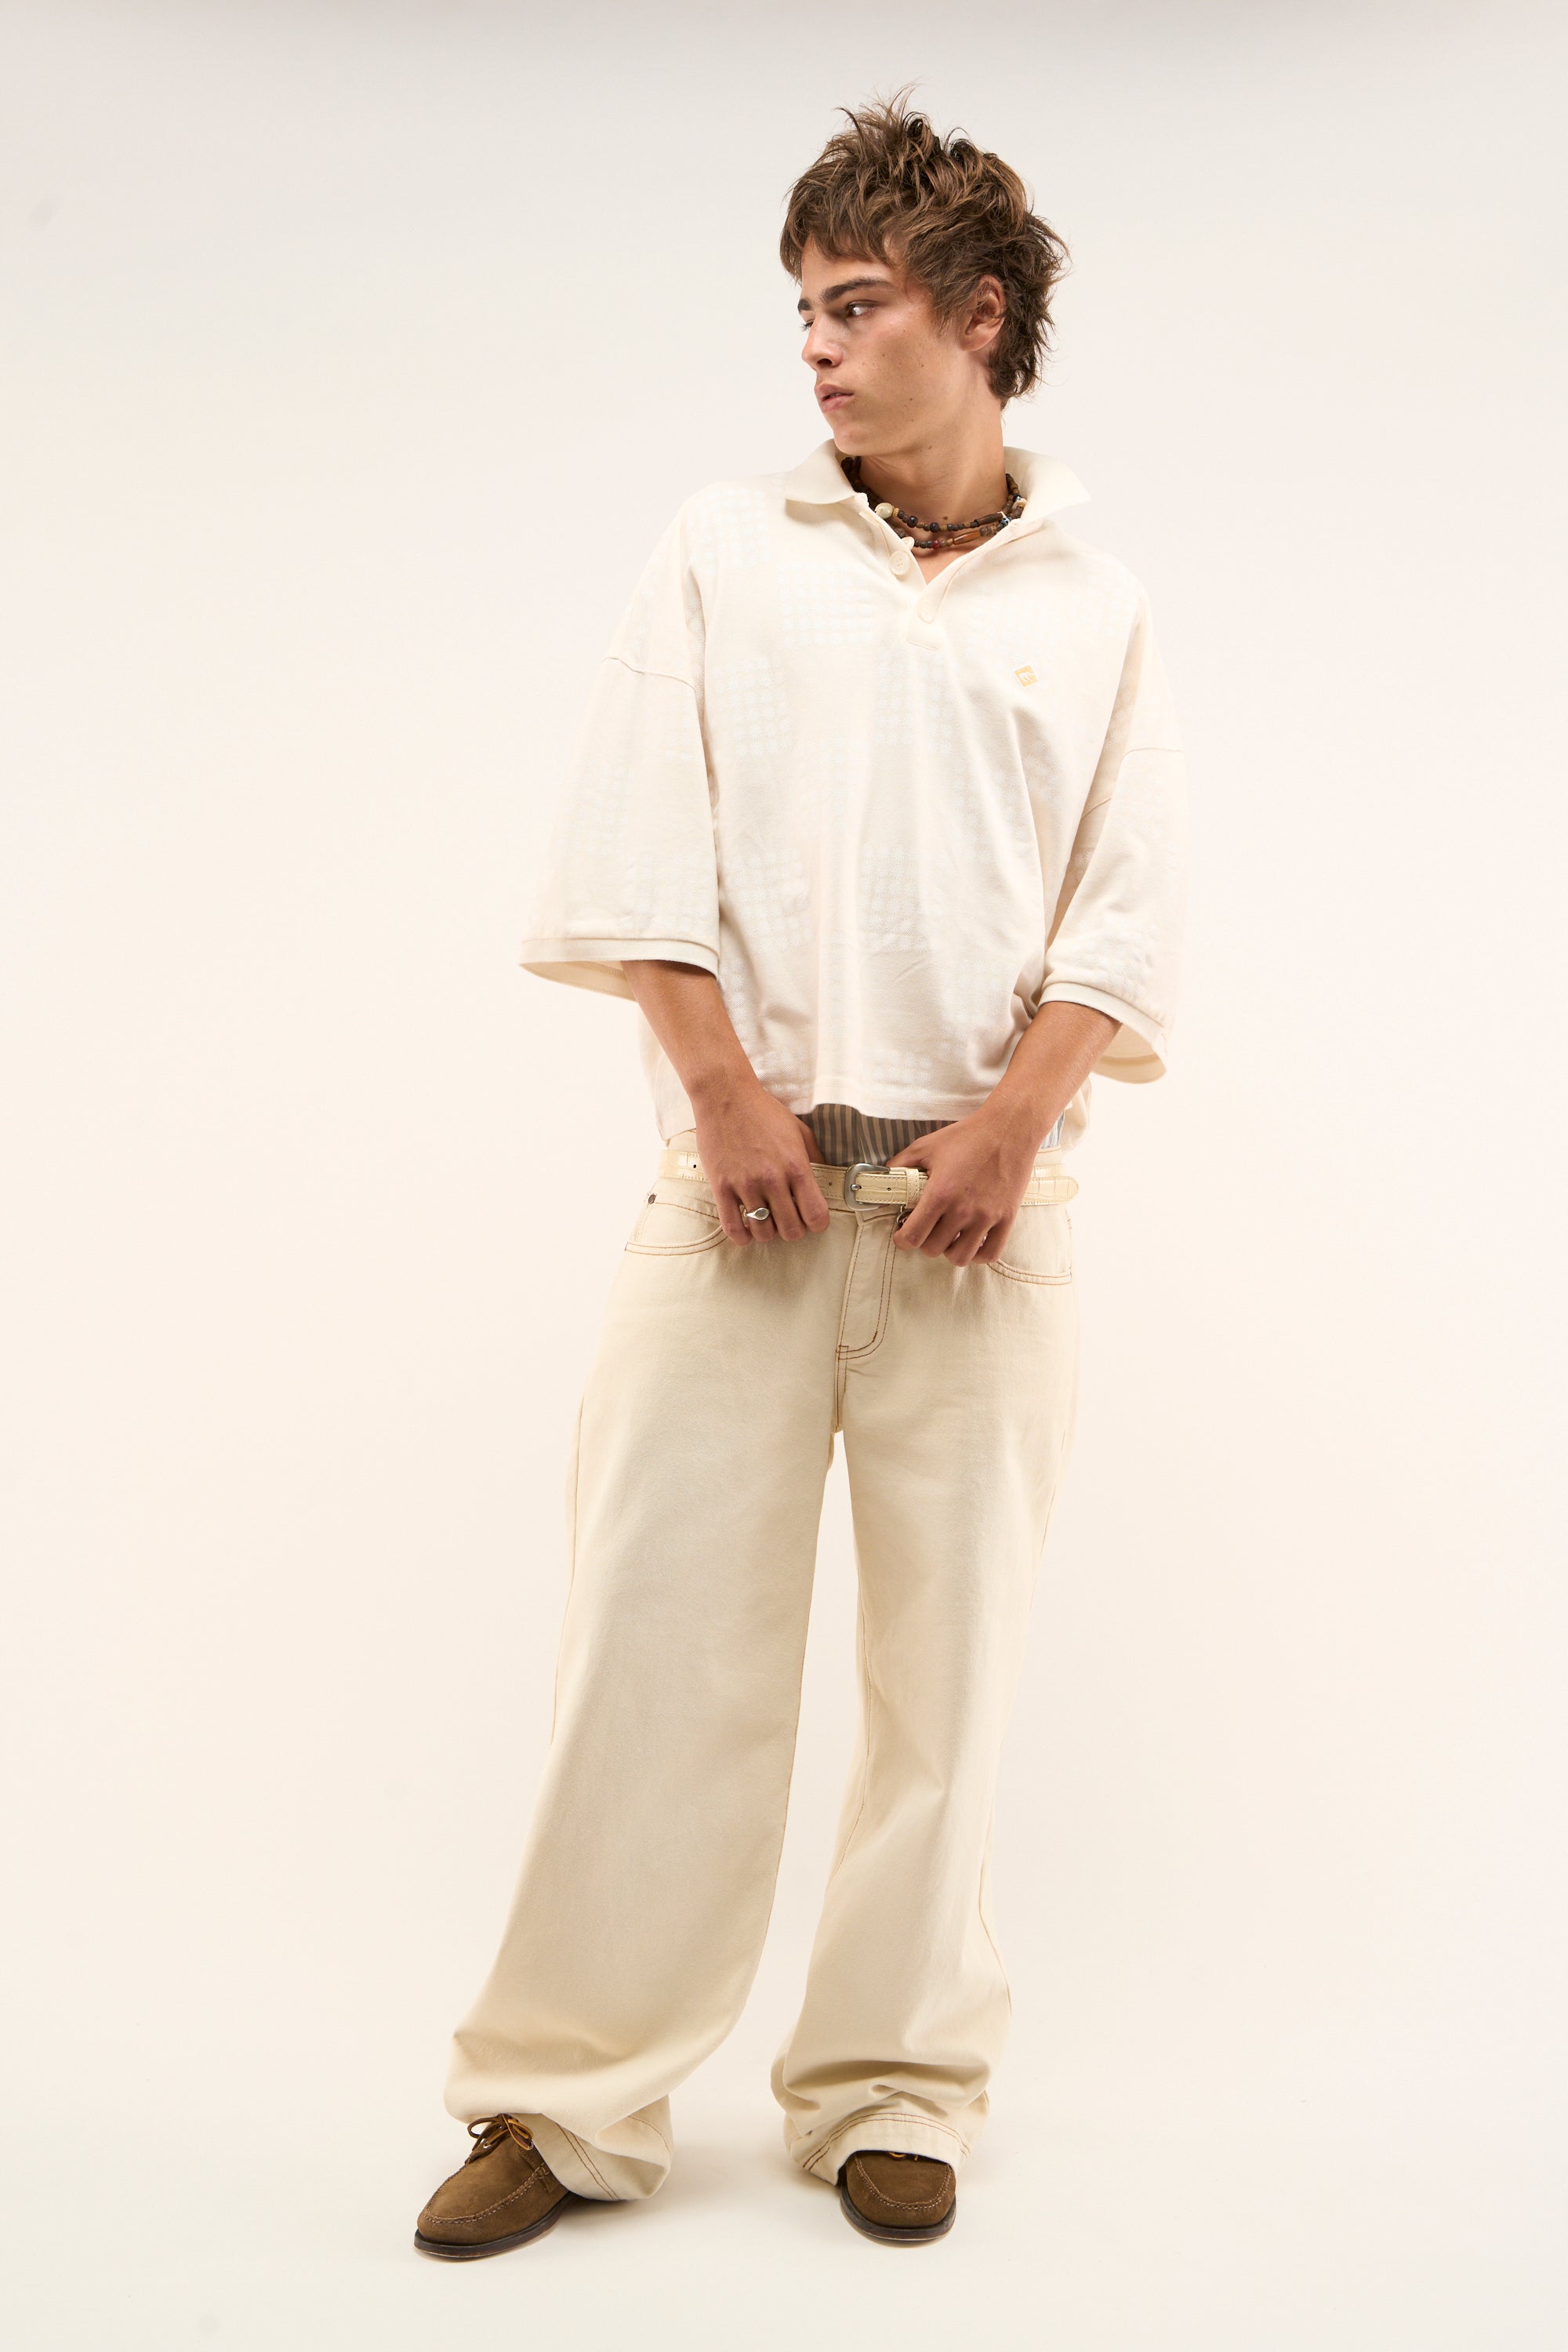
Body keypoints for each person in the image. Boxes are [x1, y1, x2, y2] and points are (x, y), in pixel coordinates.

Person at [414, 94, 1186, 2256]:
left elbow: (1122, 912)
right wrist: (726, 1097)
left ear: (981, 315)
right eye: (805, 315)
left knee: (953, 1680)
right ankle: (569, 2102)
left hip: (985, 1231)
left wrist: (1011, 1128)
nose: (820, 351)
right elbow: (631, 844)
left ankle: (892, 2086)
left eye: (857, 308)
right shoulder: (723, 549)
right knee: (654, 1661)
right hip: (735, 1209)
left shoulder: (1096, 602)